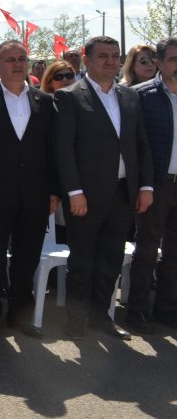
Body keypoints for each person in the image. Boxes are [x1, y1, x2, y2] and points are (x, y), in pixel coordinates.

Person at [54, 36, 153, 341]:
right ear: (86, 60)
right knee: (82, 262)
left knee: (110, 261)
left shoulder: (130, 97)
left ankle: (102, 320)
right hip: (86, 196)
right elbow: (63, 150)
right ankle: (76, 325)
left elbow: (141, 146)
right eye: (103, 56)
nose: (111, 61)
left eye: (115, 56)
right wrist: (74, 192)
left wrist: (145, 186)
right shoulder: (70, 97)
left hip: (124, 194)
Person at [0, 40, 58, 340]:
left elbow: (52, 151)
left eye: (22, 58)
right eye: (10, 59)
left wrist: (54, 191)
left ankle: (19, 314)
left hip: (35, 196)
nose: (17, 64)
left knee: (27, 258)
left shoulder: (45, 102)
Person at [128, 37, 177, 334]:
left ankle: (167, 309)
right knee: (147, 249)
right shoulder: (141, 96)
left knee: (175, 253)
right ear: (158, 63)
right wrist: (143, 186)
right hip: (156, 187)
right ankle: (136, 309)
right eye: (172, 59)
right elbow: (136, 147)